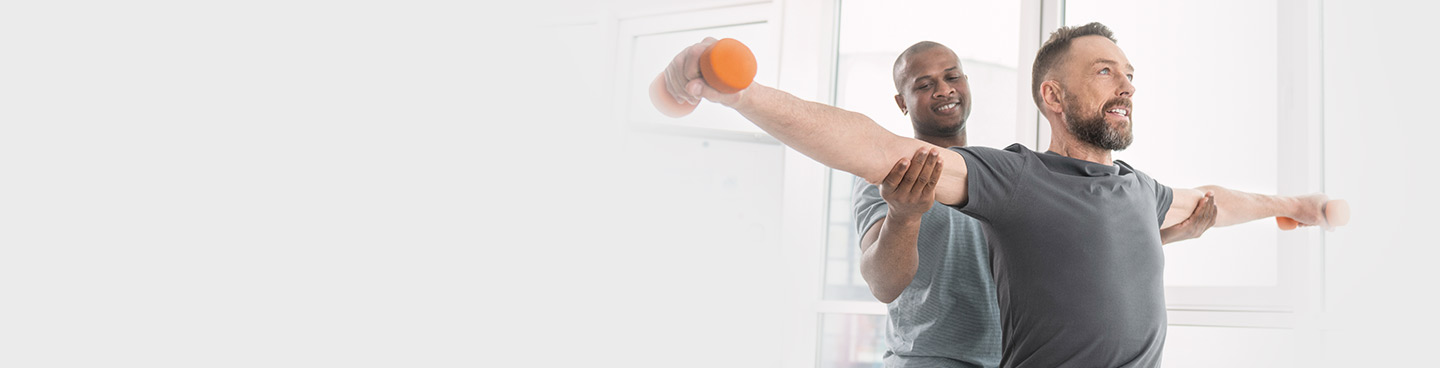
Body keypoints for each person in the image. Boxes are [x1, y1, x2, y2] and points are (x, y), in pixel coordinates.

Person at [658, 22, 1337, 367]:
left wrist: (1293, 207)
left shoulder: (1124, 187)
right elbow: (870, 148)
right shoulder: (1008, 176)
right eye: (1105, 72)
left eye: (1129, 74)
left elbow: (1207, 201)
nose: (1127, 85)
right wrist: (736, 89)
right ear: (1054, 95)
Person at [853, 41, 1218, 368]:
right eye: (924, 84)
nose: (944, 90)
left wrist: (1164, 237)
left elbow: (1057, 257)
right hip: (931, 360)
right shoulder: (888, 175)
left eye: (952, 77)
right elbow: (883, 284)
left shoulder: (1003, 174)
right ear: (902, 102)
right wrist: (904, 215)